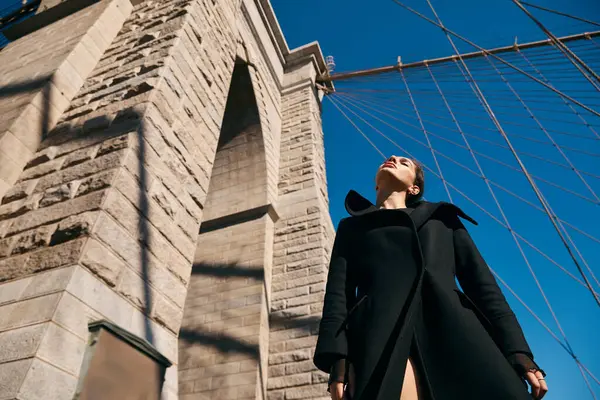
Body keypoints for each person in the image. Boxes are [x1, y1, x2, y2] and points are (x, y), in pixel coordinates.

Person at [313, 155, 548, 400]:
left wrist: (518, 351)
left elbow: (484, 288)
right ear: (376, 184)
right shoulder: (351, 228)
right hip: (380, 336)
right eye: (391, 158)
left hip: (455, 331)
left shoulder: (442, 219)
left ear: (414, 187)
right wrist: (337, 359)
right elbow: (338, 297)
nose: (393, 158)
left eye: (405, 162)